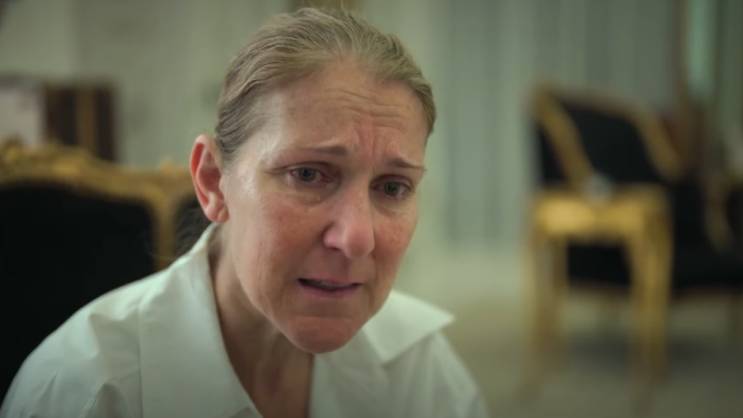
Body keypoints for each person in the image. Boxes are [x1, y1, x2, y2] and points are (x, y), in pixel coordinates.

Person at [1, 7, 489, 418]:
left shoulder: (419, 371)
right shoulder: (85, 393)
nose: (358, 237)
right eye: (308, 174)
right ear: (213, 181)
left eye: (392, 186)